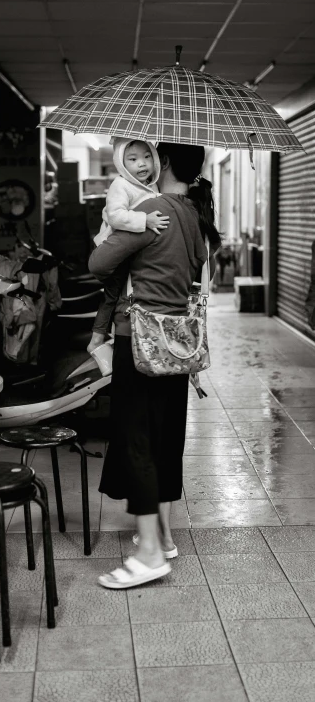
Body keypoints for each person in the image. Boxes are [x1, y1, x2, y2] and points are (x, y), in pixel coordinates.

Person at [88, 142, 220, 589]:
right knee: (165, 440)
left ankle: (147, 554)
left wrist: (113, 230)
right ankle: (163, 536)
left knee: (137, 440)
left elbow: (97, 263)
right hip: (178, 344)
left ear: (162, 163)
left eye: (151, 157)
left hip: (139, 341)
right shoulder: (197, 216)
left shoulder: (151, 209)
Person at [88, 138, 169, 354]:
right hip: (115, 249)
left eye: (147, 156)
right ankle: (96, 337)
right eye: (132, 159)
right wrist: (146, 220)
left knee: (121, 295)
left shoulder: (151, 185)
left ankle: (112, 334)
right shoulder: (120, 184)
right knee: (113, 294)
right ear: (121, 163)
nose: (141, 164)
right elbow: (115, 216)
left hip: (133, 251)